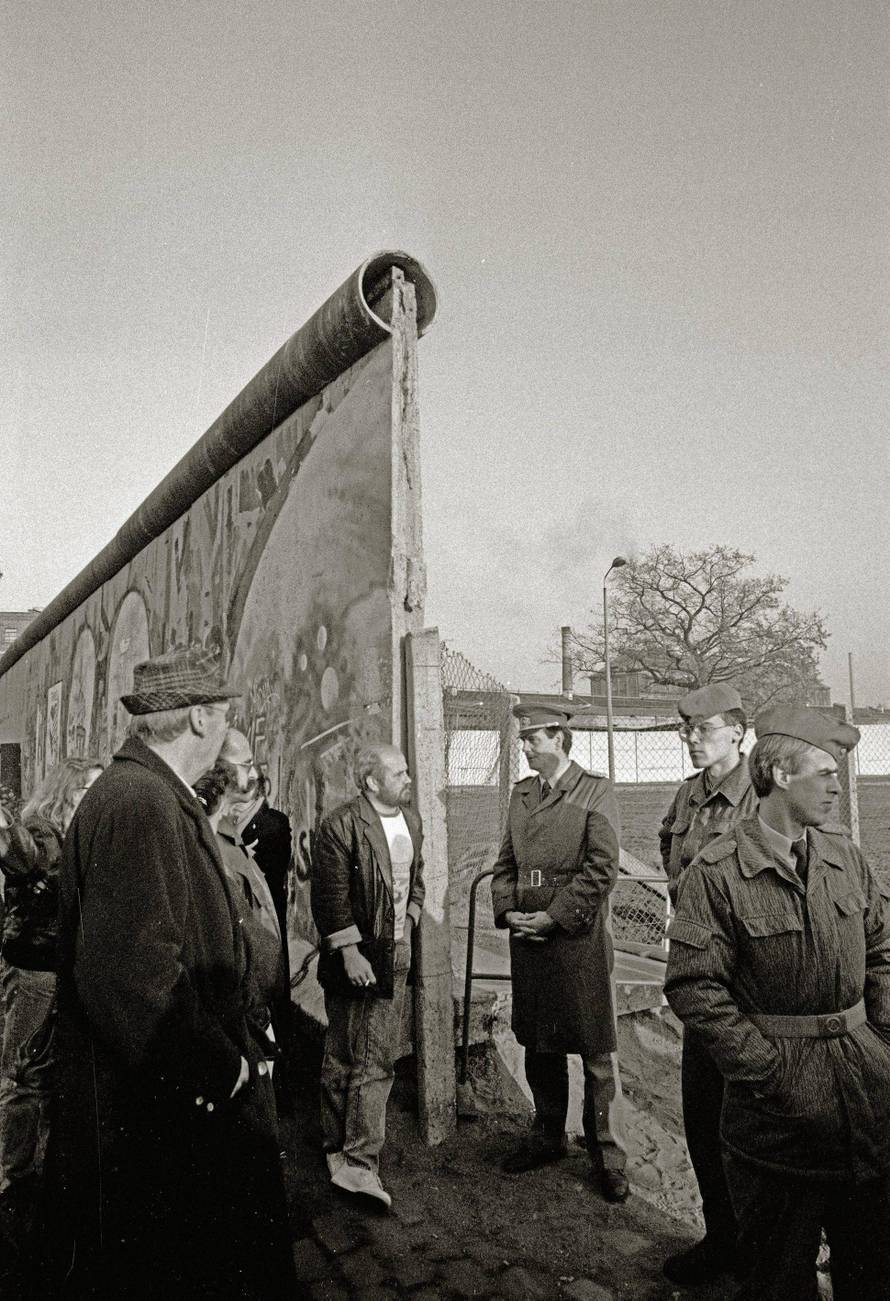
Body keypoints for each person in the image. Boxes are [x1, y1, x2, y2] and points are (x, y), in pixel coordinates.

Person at [45, 647, 294, 1298]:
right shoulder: (140, 803)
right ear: (202, 720)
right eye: (226, 717)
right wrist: (223, 1065)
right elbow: (131, 979)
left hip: (163, 1110)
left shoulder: (151, 794)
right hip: (157, 1126)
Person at [664, 706, 890, 1301]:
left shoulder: (847, 858)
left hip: (864, 1099)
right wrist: (767, 1070)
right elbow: (694, 986)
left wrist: (882, 1044)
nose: (838, 785)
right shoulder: (717, 873)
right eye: (824, 772)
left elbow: (883, 952)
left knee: (870, 1264)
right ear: (781, 774)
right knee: (777, 1275)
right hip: (776, 1115)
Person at [490, 704, 629, 1203]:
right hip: (528, 937)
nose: (525, 747)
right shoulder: (521, 794)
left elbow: (601, 869)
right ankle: (548, 1135)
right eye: (523, 739)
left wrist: (555, 916)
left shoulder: (596, 790)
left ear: (559, 739)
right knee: (539, 1042)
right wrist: (509, 913)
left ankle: (607, 1155)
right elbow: (505, 862)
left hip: (578, 938)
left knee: (594, 1051)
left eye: (533, 739)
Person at [659, 683, 758, 1286]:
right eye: (686, 729)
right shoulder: (688, 794)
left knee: (748, 1124)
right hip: (700, 980)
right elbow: (670, 845)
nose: (691, 739)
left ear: (737, 734)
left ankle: (765, 1250)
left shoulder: (758, 796)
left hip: (747, 987)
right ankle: (722, 1238)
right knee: (702, 1115)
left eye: (703, 728)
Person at [311, 742, 425, 1210]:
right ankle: (339, 1150)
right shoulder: (340, 824)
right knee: (343, 1053)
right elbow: (330, 896)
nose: (408, 780)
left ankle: (358, 1160)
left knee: (376, 1058)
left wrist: (410, 923)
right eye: (398, 774)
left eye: (406, 772)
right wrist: (351, 952)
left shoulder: (412, 821)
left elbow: (416, 880)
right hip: (355, 958)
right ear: (372, 782)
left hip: (393, 954)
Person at [0, 758, 102, 1245]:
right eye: (88, 787)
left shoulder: (89, 834)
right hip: (38, 972)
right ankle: (14, 1174)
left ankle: (46, 1173)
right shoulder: (44, 830)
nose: (96, 795)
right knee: (23, 1077)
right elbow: (23, 853)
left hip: (74, 972)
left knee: (58, 1076)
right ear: (68, 789)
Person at [194, 750, 286, 1033]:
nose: (252, 773)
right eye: (245, 764)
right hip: (238, 1007)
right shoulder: (211, 854)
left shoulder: (232, 837)